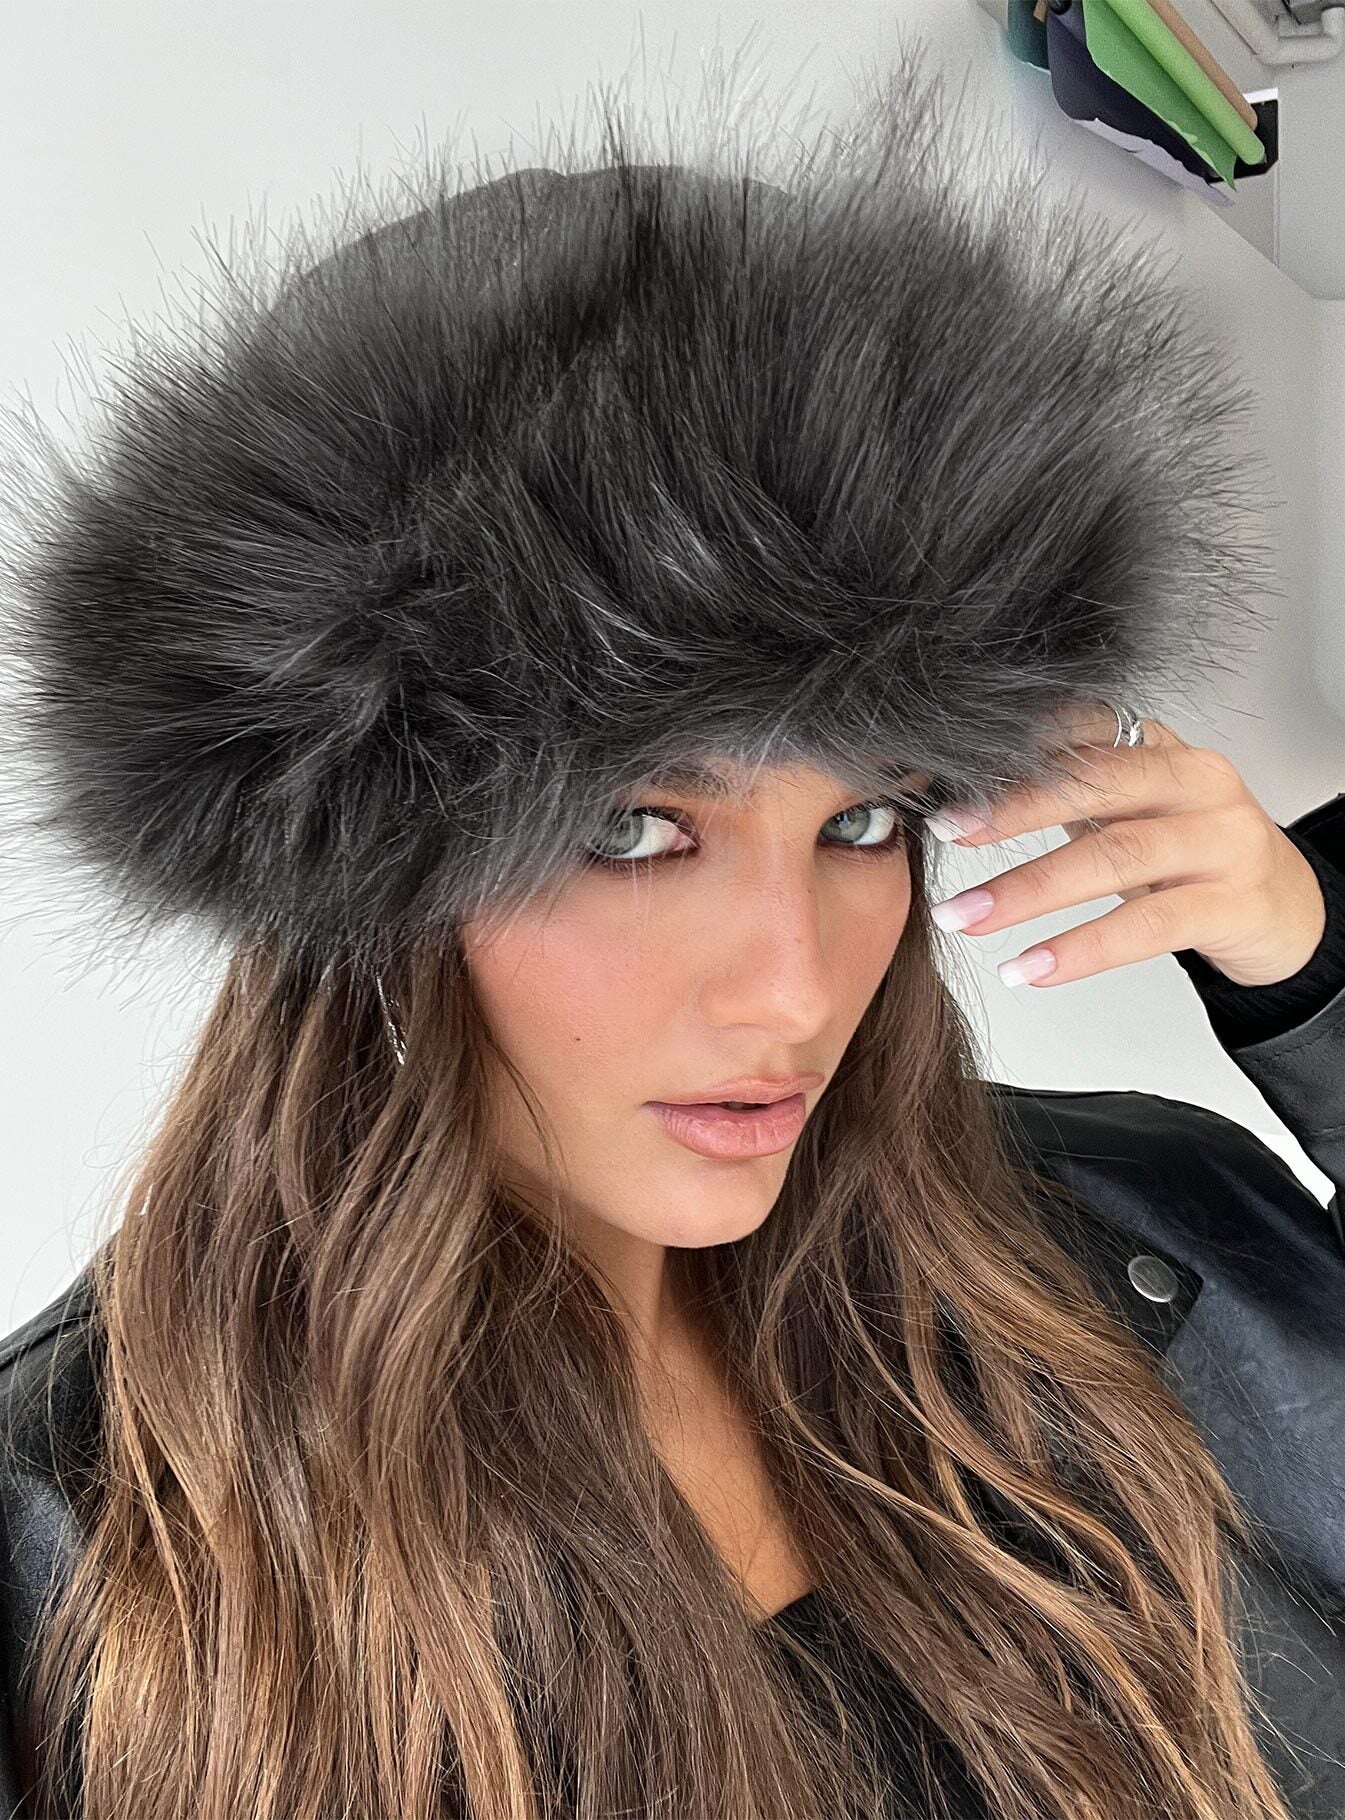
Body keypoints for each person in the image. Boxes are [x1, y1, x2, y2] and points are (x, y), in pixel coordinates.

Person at [1, 38, 1343, 1820]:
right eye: (637, 829)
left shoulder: (1160, 1237)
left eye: (862, 821)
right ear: (364, 876)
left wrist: (1317, 973)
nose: (794, 988)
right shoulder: (68, 1537)